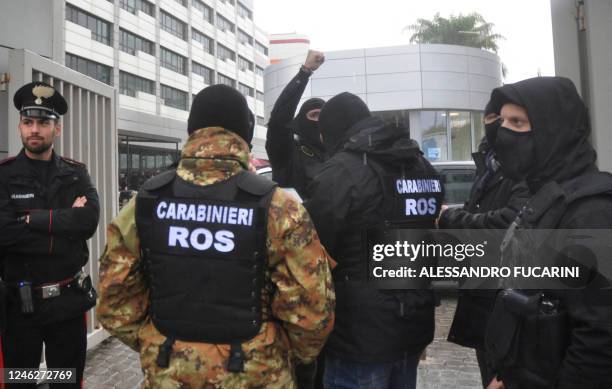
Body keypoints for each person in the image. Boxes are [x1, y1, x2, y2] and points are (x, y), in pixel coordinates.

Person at [97, 84, 336, 388]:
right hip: (257, 377)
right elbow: (312, 311)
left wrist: (157, 342)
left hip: (168, 372)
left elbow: (113, 300)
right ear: (245, 134)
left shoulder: (144, 202)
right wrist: (275, 353)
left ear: (191, 129)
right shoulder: (279, 207)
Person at [306, 92, 442, 389]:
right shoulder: (419, 163)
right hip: (413, 323)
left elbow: (311, 251)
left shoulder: (341, 171)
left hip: (359, 337)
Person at [483, 76, 612, 389]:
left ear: (554, 129)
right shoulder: (546, 195)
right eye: (502, 121)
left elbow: (599, 336)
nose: (503, 132)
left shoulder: (590, 211)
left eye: (518, 122)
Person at [0, 81, 100, 388]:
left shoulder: (75, 173)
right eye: (28, 122)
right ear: (20, 126)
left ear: (56, 129)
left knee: (65, 382)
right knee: (19, 382)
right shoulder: (4, 175)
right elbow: (4, 233)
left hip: (66, 303)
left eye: (43, 122)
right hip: (20, 307)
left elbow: (87, 222)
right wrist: (62, 225)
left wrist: (29, 220)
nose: (35, 130)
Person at [439, 102, 530, 388]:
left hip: (508, 292)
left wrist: (451, 217)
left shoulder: (526, 167)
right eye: (493, 118)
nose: (500, 126)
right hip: (483, 289)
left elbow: (507, 222)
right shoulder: (488, 164)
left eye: (515, 121)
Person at [266, 50, 326, 198]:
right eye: (314, 115)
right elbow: (279, 120)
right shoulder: (289, 152)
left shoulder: (338, 154)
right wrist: (304, 73)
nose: (319, 120)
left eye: (323, 115)